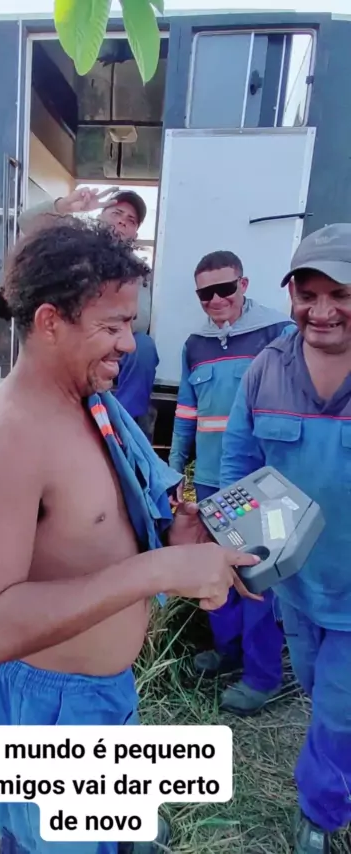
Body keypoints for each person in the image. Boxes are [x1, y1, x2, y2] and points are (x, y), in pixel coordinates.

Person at [0, 219, 261, 854]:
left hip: (98, 695)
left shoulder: (89, 401)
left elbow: (95, 528)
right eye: (112, 326)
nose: (129, 343)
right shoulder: (11, 433)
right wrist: (157, 572)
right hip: (49, 709)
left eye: (130, 324)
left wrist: (172, 538)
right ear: (50, 322)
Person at [219, 223, 351, 854]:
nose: (322, 311)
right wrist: (231, 548)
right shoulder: (264, 371)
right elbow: (238, 467)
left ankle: (320, 815)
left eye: (341, 294)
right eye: (308, 293)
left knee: (337, 707)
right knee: (318, 686)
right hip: (295, 587)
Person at [169, 250, 295, 715]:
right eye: (206, 293)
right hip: (208, 484)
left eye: (226, 288)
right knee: (213, 574)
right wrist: (174, 468)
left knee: (257, 579)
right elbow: (186, 412)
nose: (216, 299)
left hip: (259, 485)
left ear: (244, 284)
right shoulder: (194, 345)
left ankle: (262, 677)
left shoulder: (279, 332)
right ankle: (227, 653)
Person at [19, 186, 159, 440]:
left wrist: (107, 323)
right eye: (116, 213)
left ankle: (122, 430)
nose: (122, 222)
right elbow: (26, 223)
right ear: (99, 216)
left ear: (136, 233)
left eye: (131, 220)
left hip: (112, 339)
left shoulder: (139, 271)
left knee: (144, 348)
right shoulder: (74, 249)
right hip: (74, 338)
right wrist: (65, 206)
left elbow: (142, 319)